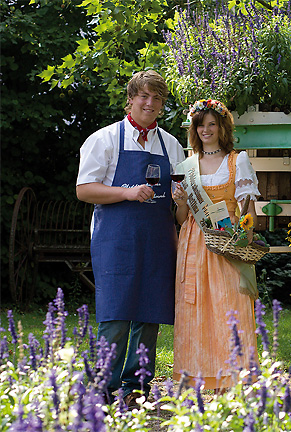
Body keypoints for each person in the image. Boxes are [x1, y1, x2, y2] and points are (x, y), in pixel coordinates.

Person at [76, 70, 185, 405]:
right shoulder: (104, 140)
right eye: (144, 97)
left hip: (157, 240)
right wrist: (126, 192)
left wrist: (181, 201)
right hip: (115, 240)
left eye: (157, 99)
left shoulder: (172, 145)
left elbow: (179, 209)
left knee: (149, 316)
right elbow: (84, 190)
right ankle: (103, 390)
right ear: (132, 99)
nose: (150, 104)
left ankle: (136, 389)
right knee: (116, 315)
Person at [172, 99, 259, 390]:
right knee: (194, 307)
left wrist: (243, 234)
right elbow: (183, 218)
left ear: (223, 127)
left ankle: (234, 378)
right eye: (201, 125)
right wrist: (182, 204)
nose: (206, 129)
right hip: (194, 242)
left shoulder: (238, 160)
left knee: (229, 304)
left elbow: (251, 213)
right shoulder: (186, 166)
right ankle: (199, 376)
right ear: (194, 129)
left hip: (226, 239)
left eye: (212, 124)